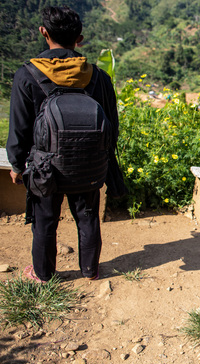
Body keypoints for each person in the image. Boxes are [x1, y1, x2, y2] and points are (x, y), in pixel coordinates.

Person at [6, 6, 119, 282]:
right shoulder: (99, 77)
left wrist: (16, 164)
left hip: (45, 168)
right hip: (89, 166)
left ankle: (43, 274)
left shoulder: (27, 75)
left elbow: (19, 127)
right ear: (79, 39)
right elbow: (111, 126)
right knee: (88, 216)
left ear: (44, 32)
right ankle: (91, 270)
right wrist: (102, 159)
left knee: (45, 220)